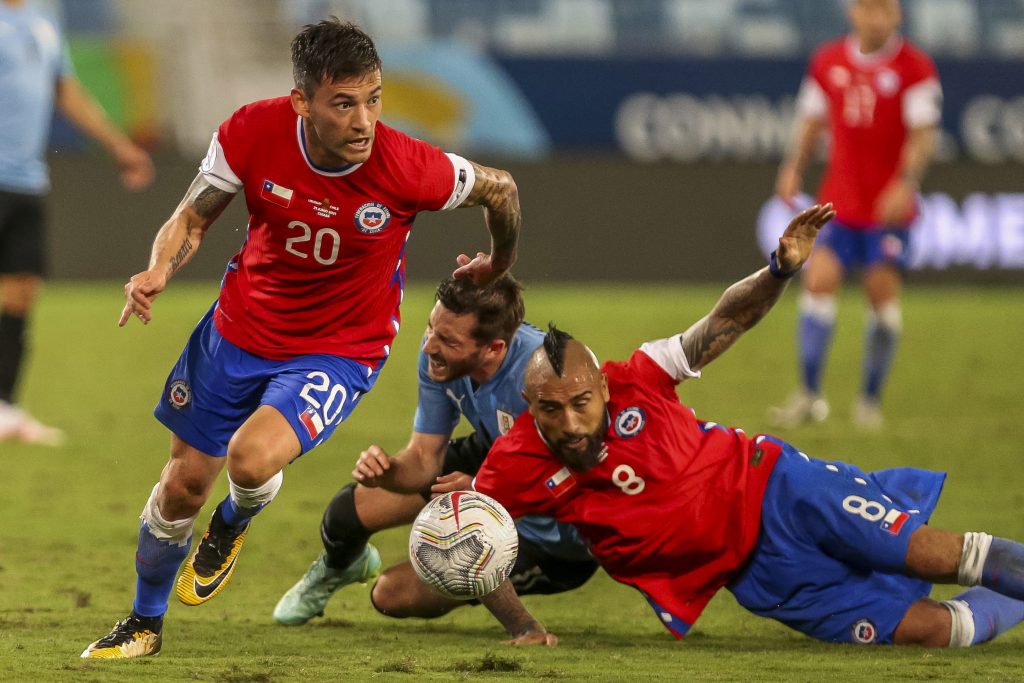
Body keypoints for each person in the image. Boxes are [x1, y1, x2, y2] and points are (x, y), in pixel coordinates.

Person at [80, 19, 521, 660]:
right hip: (237, 331)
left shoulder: (409, 166)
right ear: (301, 103)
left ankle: (234, 519)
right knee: (181, 486)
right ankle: (144, 624)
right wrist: (157, 271)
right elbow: (192, 218)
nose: (363, 121)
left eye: (373, 99)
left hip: (338, 350)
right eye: (343, 104)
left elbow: (501, 188)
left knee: (250, 459)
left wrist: (499, 263)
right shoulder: (251, 132)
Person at [472, 204, 1024, 648]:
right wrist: (522, 625)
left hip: (780, 487)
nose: (570, 423)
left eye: (582, 403)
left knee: (929, 553)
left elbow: (727, 319)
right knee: (934, 631)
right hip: (754, 572)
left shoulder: (639, 376)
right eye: (551, 410)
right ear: (528, 404)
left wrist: (779, 270)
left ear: (604, 387)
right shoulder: (515, 461)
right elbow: (474, 543)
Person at [273, 274, 594, 644]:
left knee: (390, 595)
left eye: (448, 341)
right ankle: (337, 568)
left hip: (558, 530)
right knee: (348, 513)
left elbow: (585, 477)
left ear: (494, 349)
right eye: (431, 328)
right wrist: (388, 473)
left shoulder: (550, 377)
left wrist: (486, 492)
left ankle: (526, 626)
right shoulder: (441, 359)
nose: (429, 346)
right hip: (493, 454)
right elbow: (425, 458)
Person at [769, 0, 941, 429]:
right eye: (868, 8)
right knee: (818, 282)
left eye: (884, 10)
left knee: (881, 297)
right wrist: (793, 168)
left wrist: (904, 183)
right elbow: (811, 122)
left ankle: (869, 400)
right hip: (838, 204)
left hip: (888, 210)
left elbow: (922, 136)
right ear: (853, 12)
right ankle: (810, 395)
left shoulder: (915, 67)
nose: (876, 18)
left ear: (898, 15)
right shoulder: (827, 62)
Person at [0, 0, 154, 445]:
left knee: (21, 289)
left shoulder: (43, 24)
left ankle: (5, 407)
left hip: (26, 181)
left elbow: (67, 92)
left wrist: (119, 146)